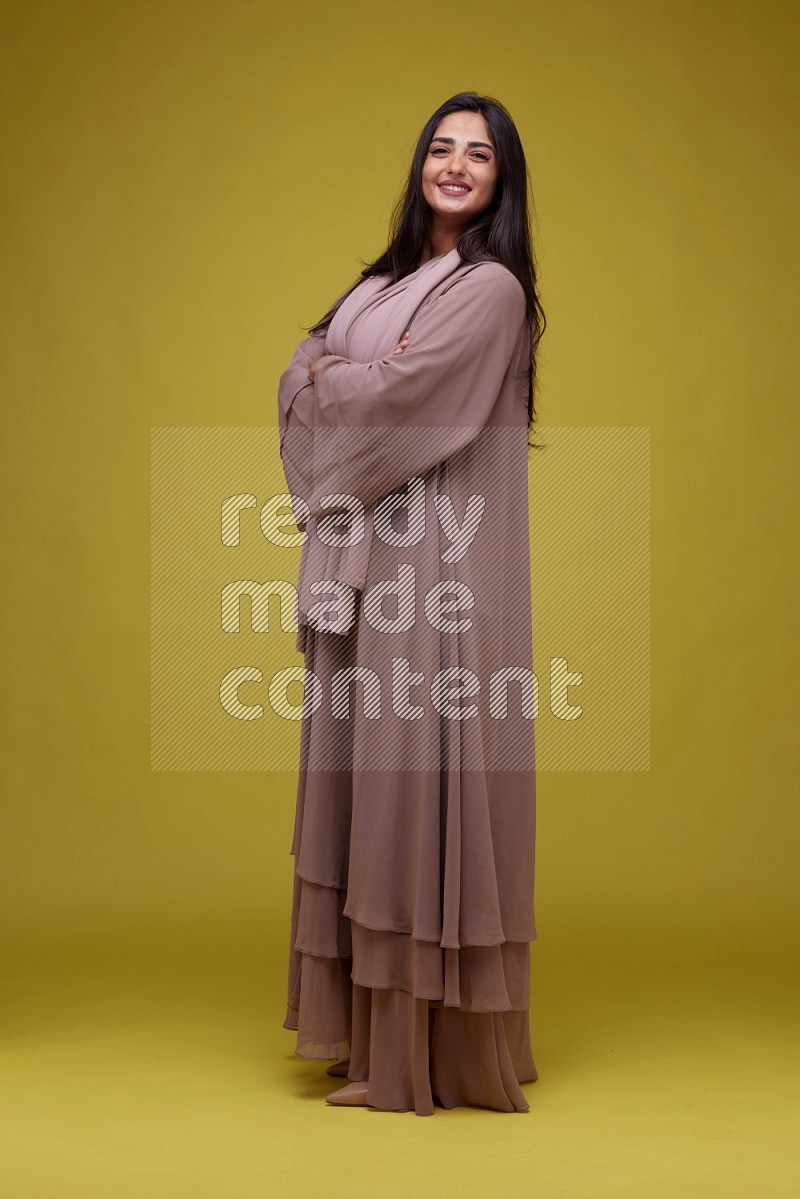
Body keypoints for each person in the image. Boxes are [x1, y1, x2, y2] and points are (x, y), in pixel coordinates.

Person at [277, 91, 546, 1115]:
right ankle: (367, 1041)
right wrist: (344, 373)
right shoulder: (383, 278)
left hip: (434, 569)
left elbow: (394, 402)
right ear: (419, 165)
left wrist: (336, 376)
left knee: (411, 777)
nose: (454, 164)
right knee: (362, 775)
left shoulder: (490, 291)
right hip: (365, 560)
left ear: (500, 178)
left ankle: (417, 1056)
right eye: (440, 147)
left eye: (477, 154)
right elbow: (301, 375)